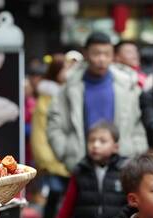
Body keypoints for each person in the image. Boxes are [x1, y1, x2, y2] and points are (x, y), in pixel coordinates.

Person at [47, 32, 147, 173]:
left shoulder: (128, 85)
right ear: (86, 54)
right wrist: (65, 152)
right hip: (81, 162)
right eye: (96, 54)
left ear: (113, 55)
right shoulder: (70, 86)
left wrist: (136, 151)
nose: (102, 59)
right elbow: (54, 122)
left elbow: (138, 122)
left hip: (122, 163)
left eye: (107, 54)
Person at [31, 53, 72, 218]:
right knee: (55, 196)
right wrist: (47, 159)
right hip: (55, 159)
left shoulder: (73, 93)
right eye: (66, 68)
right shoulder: (47, 98)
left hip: (73, 157)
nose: (70, 72)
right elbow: (40, 132)